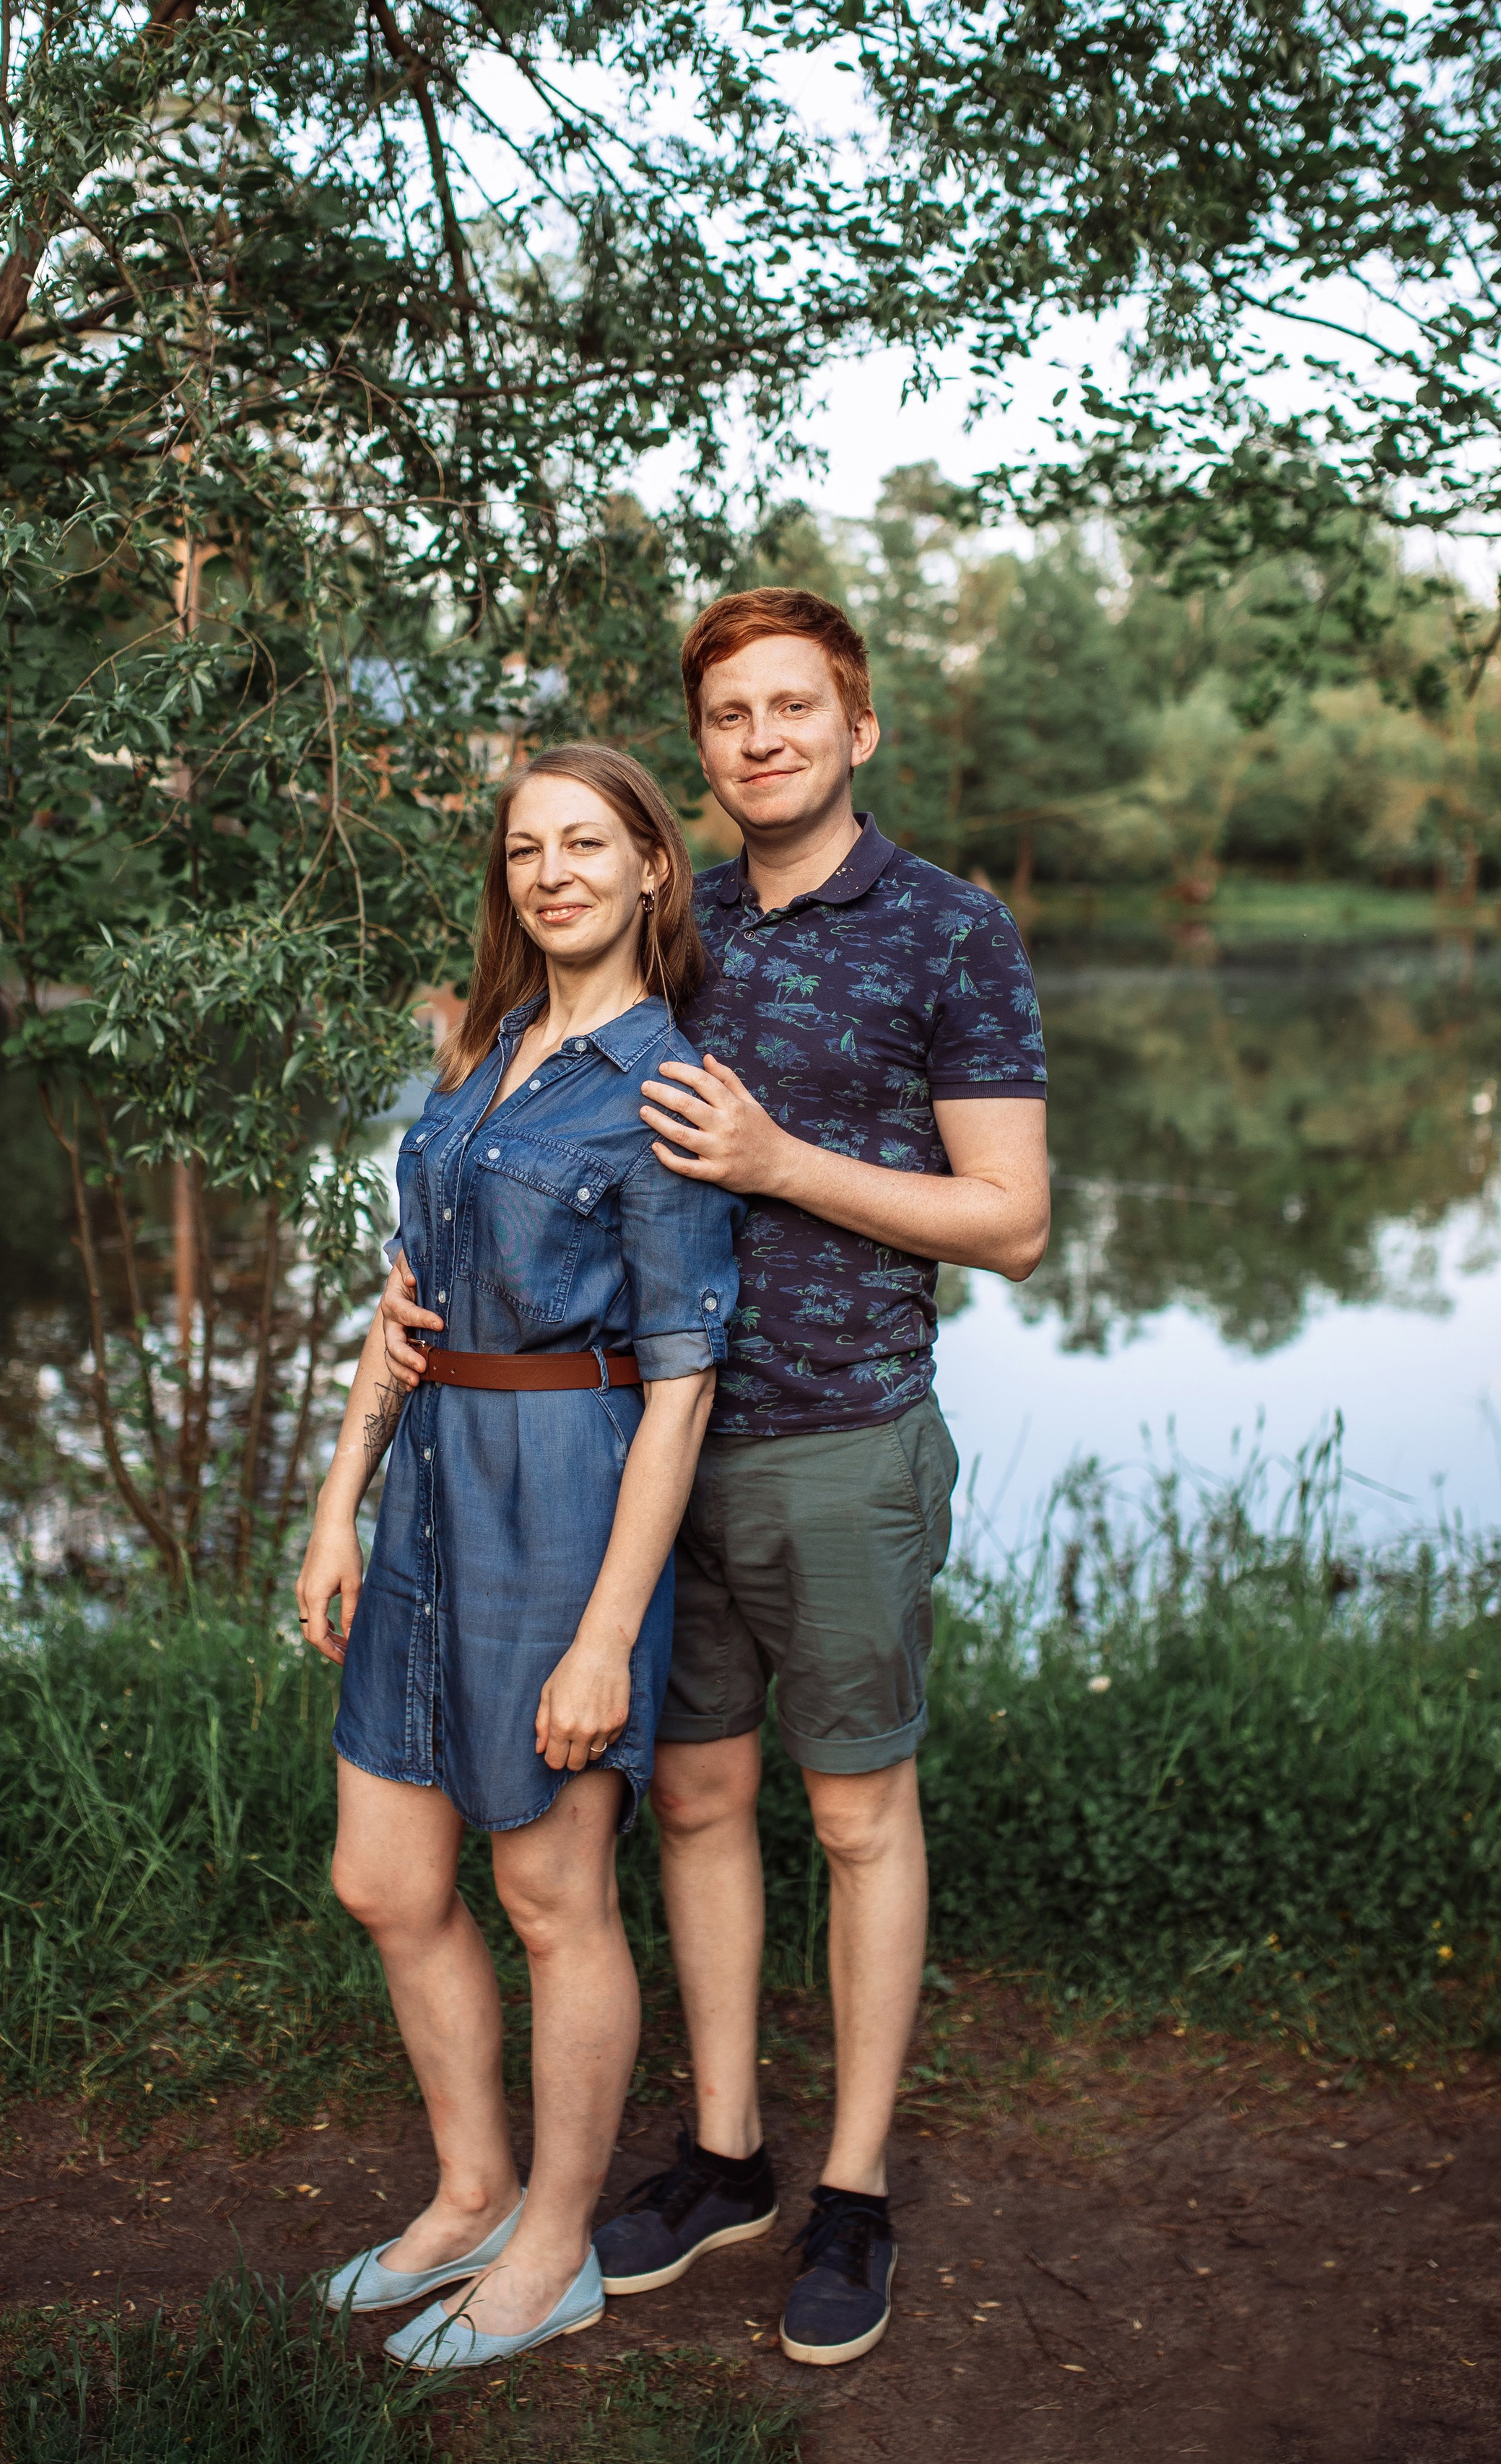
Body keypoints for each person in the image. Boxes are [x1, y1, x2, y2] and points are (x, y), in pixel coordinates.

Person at [381, 586, 1050, 2368]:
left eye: (792, 707)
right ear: (700, 752)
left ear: (856, 727)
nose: (761, 739)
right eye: (730, 716)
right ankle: (727, 2156)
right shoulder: (676, 927)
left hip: (834, 1438)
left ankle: (852, 2191)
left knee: (854, 1817)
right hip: (633, 1460)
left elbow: (1012, 1221)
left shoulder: (946, 929)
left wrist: (779, 1159)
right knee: (688, 1803)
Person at [296, 742, 744, 2374]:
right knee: (384, 1878)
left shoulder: (664, 1087)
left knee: (551, 1896)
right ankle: (472, 2190)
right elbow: (404, 1302)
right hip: (424, 1493)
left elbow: (684, 1384)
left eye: (585, 844)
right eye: (523, 848)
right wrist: (336, 1497)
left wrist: (606, 1634)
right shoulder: (482, 1054)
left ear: (649, 869)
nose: (550, 873)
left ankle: (552, 2246)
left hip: (563, 1502)